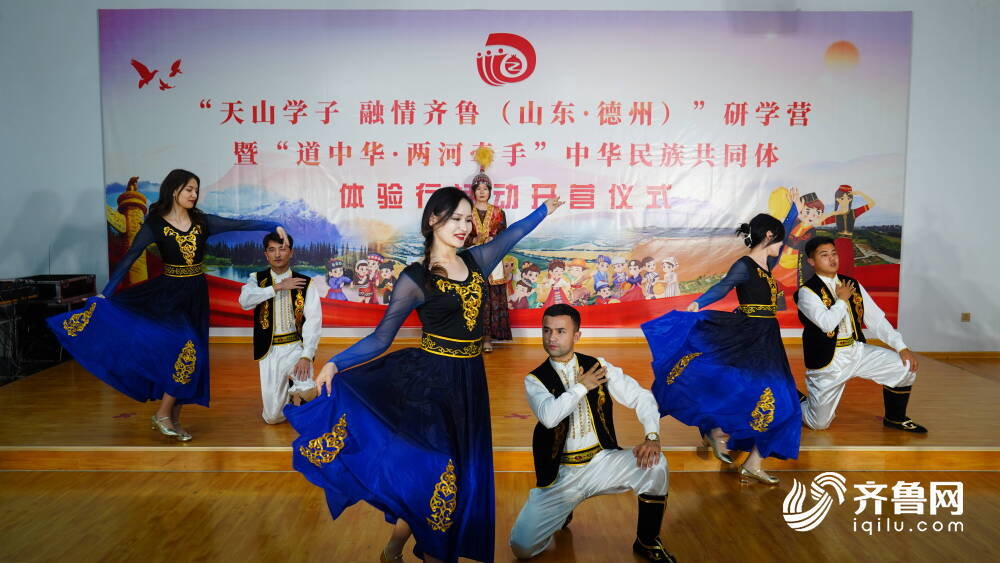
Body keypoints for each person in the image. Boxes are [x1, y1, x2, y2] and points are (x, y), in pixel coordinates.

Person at [285, 187, 564, 563]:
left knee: (455, 475)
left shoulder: (477, 260)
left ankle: (392, 549)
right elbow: (381, 338)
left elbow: (512, 234)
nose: (464, 227)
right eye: (456, 219)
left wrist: (543, 210)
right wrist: (335, 363)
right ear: (433, 219)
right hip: (429, 385)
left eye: (468, 219)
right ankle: (435, 553)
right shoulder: (415, 278)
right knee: (438, 474)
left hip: (469, 384)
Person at [48, 169, 284, 441]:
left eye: (196, 190)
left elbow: (239, 224)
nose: (194, 195)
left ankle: (173, 418)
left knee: (191, 357)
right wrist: (106, 294)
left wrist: (273, 224)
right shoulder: (155, 224)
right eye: (189, 189)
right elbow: (130, 258)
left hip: (195, 296)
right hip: (167, 296)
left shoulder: (202, 222)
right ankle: (162, 414)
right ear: (174, 190)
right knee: (189, 350)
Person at [641, 213, 800, 485]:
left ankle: (751, 462)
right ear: (768, 236)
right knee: (734, 386)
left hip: (767, 339)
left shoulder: (767, 262)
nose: (781, 246)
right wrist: (699, 303)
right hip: (747, 334)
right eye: (778, 240)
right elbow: (723, 286)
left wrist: (793, 209)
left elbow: (781, 236)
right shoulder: (745, 265)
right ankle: (714, 430)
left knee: (782, 403)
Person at [509, 305, 675, 561]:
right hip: (561, 477)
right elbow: (550, 417)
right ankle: (563, 511)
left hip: (602, 463)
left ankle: (647, 541)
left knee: (656, 464)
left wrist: (652, 435)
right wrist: (581, 386)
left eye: (561, 331)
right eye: (547, 330)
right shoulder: (535, 380)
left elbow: (640, 397)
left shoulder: (598, 366)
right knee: (521, 547)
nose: (552, 337)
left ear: (577, 335)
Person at [795, 236, 926, 432]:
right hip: (829, 359)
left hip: (855, 350)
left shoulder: (851, 284)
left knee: (904, 367)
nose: (832, 259)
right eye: (824, 255)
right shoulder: (807, 292)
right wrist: (842, 300)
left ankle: (895, 418)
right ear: (812, 261)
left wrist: (901, 347)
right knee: (818, 424)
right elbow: (827, 324)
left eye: (834, 253)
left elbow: (876, 320)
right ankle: (795, 398)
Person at [238, 231, 321, 424]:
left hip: (295, 348)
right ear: (266, 254)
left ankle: (303, 396)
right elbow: (244, 301)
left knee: (307, 389)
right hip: (269, 351)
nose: (277, 254)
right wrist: (278, 287)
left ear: (291, 252)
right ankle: (291, 395)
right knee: (273, 417)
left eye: (282, 249)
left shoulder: (305, 283)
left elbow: (314, 321)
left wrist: (306, 355)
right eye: (272, 250)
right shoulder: (257, 279)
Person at [465, 150, 512, 352]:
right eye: (478, 188)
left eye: (486, 188)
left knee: (492, 299)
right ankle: (472, 337)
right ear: (473, 191)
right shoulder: (467, 212)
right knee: (474, 297)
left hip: (493, 261)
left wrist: (495, 240)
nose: (482, 191)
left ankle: (488, 338)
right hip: (474, 259)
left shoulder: (499, 213)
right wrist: (474, 239)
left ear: (490, 191)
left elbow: (506, 237)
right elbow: (460, 236)